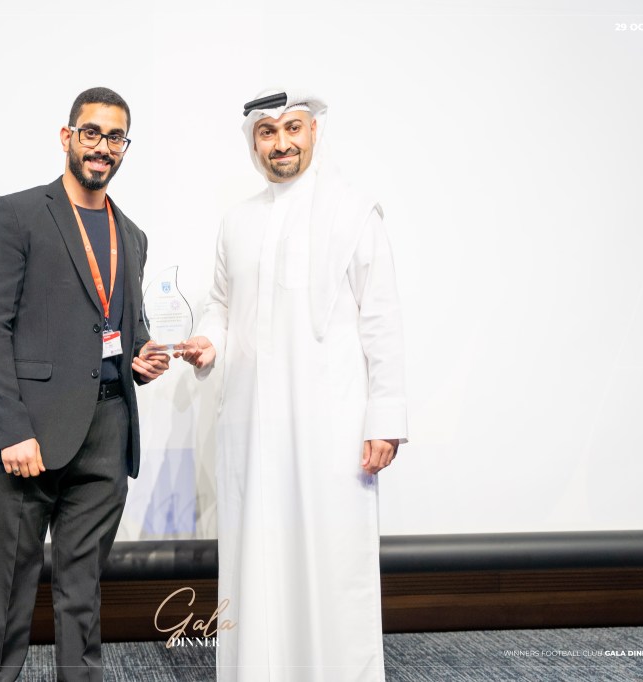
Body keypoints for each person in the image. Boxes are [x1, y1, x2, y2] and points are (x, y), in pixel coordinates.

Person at [177, 89, 409, 681]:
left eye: (292, 129)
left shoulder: (355, 213)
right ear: (253, 142)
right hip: (252, 426)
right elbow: (223, 307)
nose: (281, 143)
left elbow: (381, 319)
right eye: (267, 132)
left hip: (331, 429)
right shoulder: (238, 221)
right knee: (256, 557)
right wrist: (208, 341)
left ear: (314, 132)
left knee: (332, 560)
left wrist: (385, 418)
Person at [0, 86, 170, 682]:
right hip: (26, 434)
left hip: (106, 433)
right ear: (67, 137)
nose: (102, 146)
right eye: (91, 132)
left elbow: (123, 329)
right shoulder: (17, 214)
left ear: (125, 147)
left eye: (115, 137)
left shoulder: (132, 236)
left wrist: (143, 356)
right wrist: (11, 429)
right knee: (6, 598)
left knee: (82, 600)